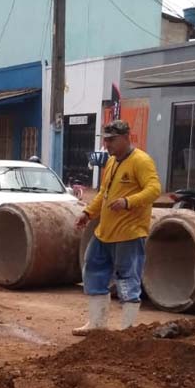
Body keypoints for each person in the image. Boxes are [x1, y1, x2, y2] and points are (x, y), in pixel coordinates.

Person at [73, 120, 161, 335]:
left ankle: (127, 329)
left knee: (127, 278)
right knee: (93, 269)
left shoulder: (141, 161)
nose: (107, 144)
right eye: (105, 139)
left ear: (125, 137)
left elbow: (155, 189)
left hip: (129, 233)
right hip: (105, 232)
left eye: (111, 140)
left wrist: (128, 202)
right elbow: (104, 194)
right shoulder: (111, 163)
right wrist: (88, 213)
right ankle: (97, 323)